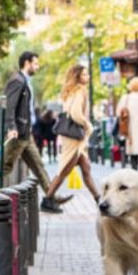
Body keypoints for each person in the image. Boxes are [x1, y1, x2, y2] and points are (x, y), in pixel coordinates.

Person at [0, 51, 71, 206]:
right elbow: (9, 105)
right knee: (4, 167)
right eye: (36, 63)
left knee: (38, 166)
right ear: (27, 63)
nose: (37, 67)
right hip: (18, 133)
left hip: (26, 132)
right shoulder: (17, 80)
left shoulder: (26, 81)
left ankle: (51, 196)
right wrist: (11, 126)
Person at [43, 65, 100, 212]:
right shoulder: (79, 90)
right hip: (74, 138)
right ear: (78, 77)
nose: (88, 77)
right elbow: (76, 114)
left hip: (74, 137)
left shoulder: (71, 91)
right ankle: (47, 200)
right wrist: (88, 125)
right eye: (85, 75)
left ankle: (99, 199)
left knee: (86, 169)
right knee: (64, 170)